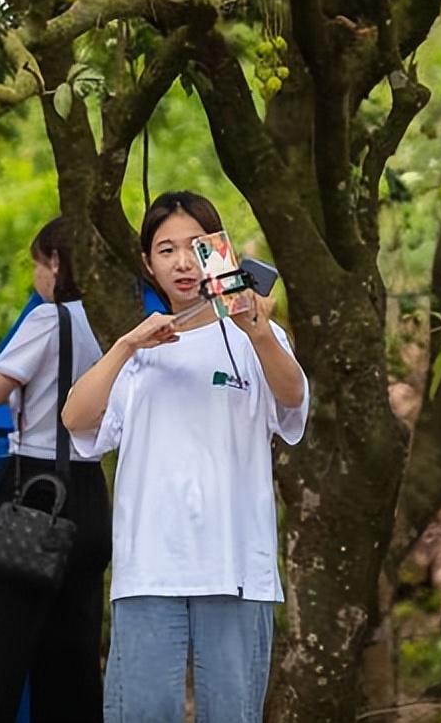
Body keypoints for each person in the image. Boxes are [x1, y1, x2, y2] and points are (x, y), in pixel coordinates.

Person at [61, 191, 309, 723]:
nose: (182, 262)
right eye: (166, 249)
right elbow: (75, 418)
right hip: (149, 570)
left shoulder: (255, 338)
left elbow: (292, 399)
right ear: (148, 263)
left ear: (219, 253)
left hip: (237, 565)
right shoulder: (138, 352)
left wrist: (259, 330)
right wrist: (127, 345)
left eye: (197, 246)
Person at [0, 217, 109, 723]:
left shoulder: (50, 319)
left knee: (1, 651)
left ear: (55, 261)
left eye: (36, 262)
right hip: (91, 491)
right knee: (72, 657)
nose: (36, 274)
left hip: (38, 489)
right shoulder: (112, 321)